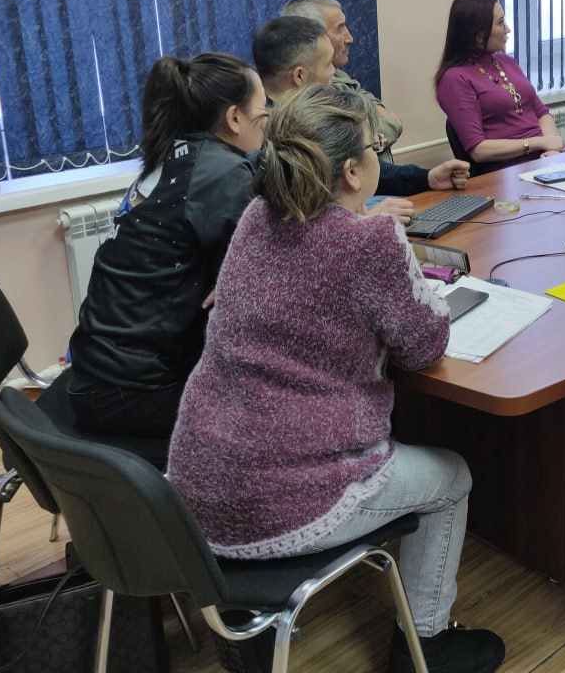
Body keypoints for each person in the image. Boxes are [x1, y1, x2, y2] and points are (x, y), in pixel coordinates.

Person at [166, 86, 504, 673]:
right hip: (278, 502)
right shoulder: (370, 241)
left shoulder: (255, 218)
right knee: (452, 477)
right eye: (376, 149)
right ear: (352, 171)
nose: (379, 158)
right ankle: (426, 646)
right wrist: (416, 280)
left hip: (196, 490)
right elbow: (425, 344)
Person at [62, 53, 265, 438]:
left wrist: (232, 280)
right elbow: (258, 283)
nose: (268, 118)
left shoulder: (175, 155)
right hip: (131, 393)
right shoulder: (223, 172)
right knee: (285, 412)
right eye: (262, 108)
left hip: (95, 374)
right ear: (234, 117)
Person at [254, 15, 471, 216]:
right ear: (300, 76)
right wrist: (366, 225)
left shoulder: (308, 118)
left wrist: (427, 178)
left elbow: (364, 166)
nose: (334, 73)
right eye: (328, 65)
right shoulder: (265, 143)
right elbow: (300, 230)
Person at [434, 0, 565, 170]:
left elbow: (541, 112)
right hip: (511, 169)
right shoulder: (454, 78)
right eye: (500, 23)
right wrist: (539, 143)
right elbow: (478, 150)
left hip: (544, 156)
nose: (508, 29)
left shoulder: (507, 62)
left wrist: (552, 148)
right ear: (478, 35)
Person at [282, 0, 405, 158]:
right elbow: (354, 146)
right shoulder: (308, 96)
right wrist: (392, 124)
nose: (350, 38)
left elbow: (373, 105)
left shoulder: (338, 74)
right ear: (314, 36)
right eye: (340, 28)